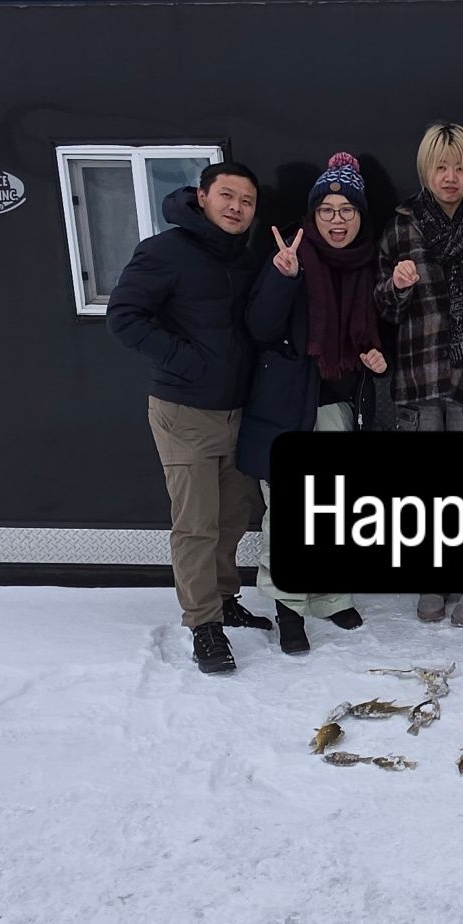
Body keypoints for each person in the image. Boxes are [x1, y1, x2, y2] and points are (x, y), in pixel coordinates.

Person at [106, 161, 270, 675]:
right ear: (202, 196)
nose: (237, 207)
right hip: (185, 412)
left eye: (246, 201)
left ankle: (223, 598)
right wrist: (187, 361)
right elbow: (124, 317)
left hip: (238, 410)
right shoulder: (164, 251)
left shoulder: (243, 259)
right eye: (227, 196)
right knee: (196, 523)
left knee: (233, 515)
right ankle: (203, 625)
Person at [237, 153, 389, 655]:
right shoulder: (291, 256)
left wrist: (374, 356)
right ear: (313, 214)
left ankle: (328, 597)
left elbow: (370, 333)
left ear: (361, 216)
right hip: (289, 406)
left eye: (347, 209)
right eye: (326, 209)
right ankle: (288, 609)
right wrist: (283, 277)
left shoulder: (368, 262)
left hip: (342, 405)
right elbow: (260, 327)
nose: (337, 220)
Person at [377, 122, 463, 628]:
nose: (451, 176)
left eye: (461, 167)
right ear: (426, 169)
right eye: (441, 166)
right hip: (417, 380)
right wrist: (394, 285)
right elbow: (381, 310)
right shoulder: (401, 226)